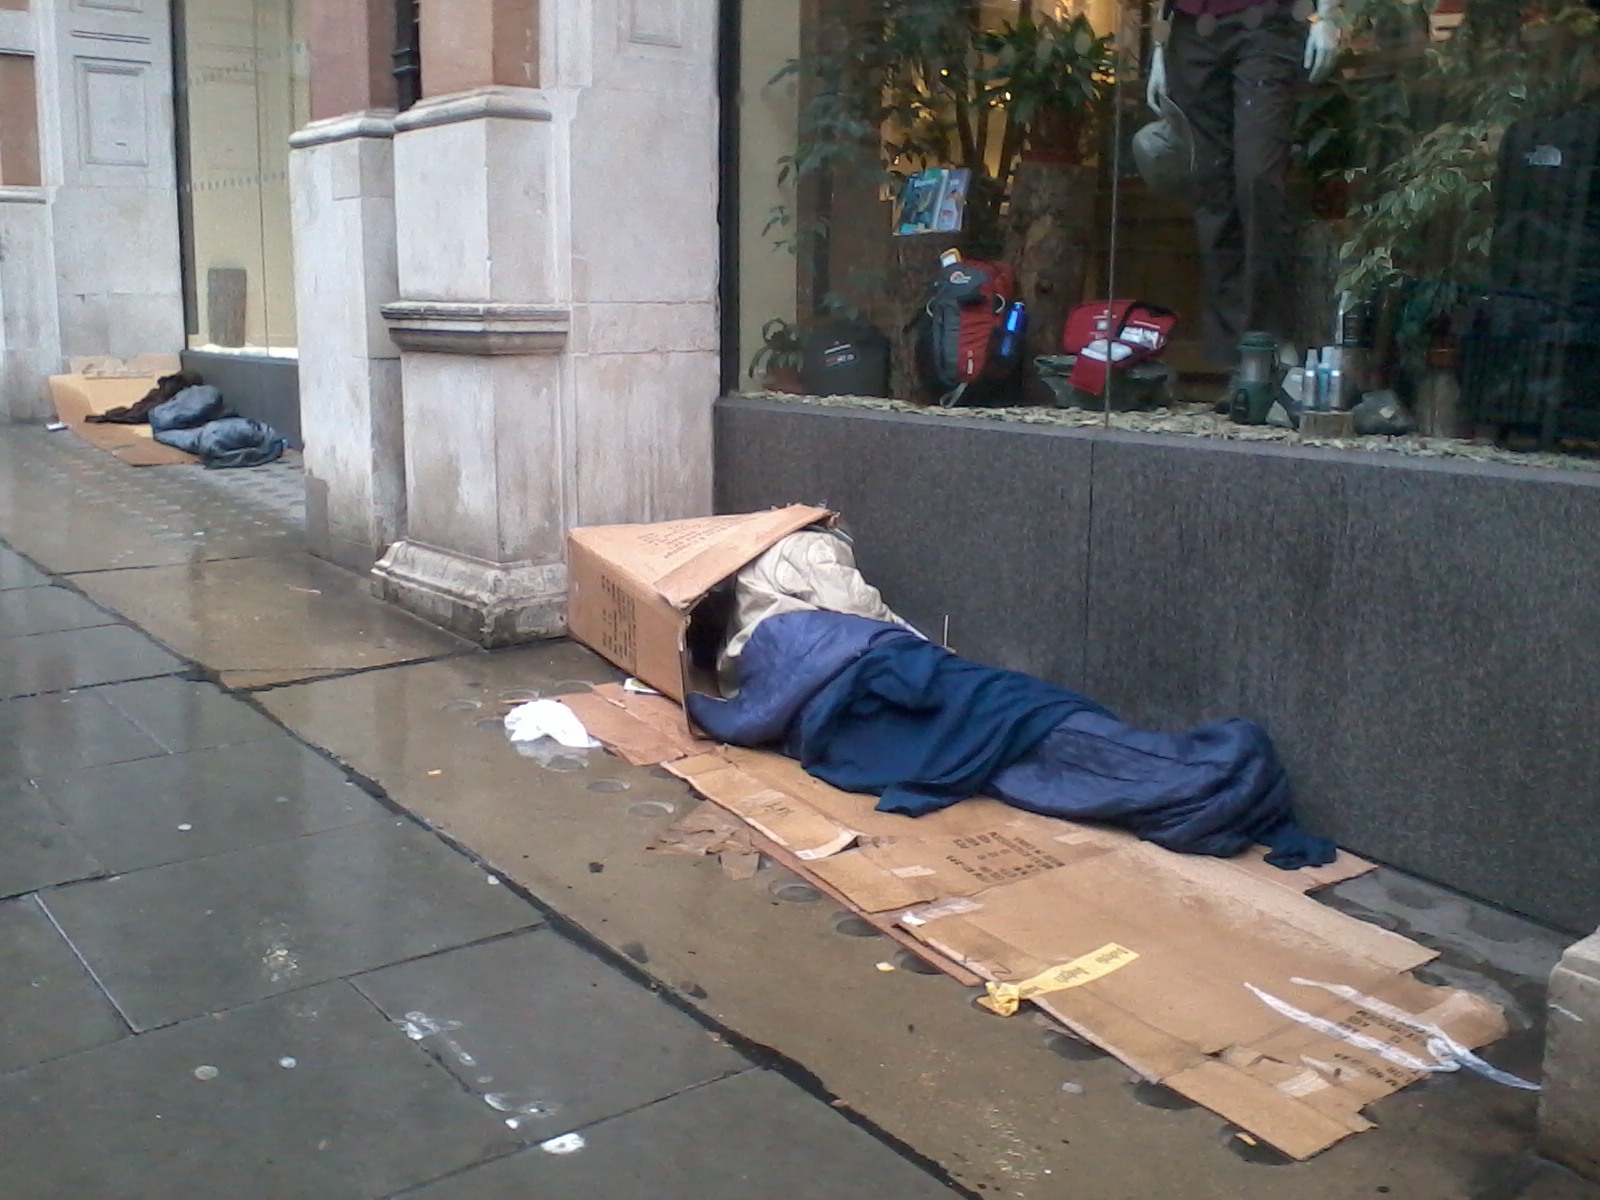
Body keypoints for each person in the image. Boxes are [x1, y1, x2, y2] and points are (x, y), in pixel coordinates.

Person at [1146, 0, 1342, 366]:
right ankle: (1230, 361)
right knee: (1211, 188)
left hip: (1267, 23)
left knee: (1258, 177)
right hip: (1190, 29)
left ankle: (1268, 339)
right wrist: (1159, 44)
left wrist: (1328, 15)